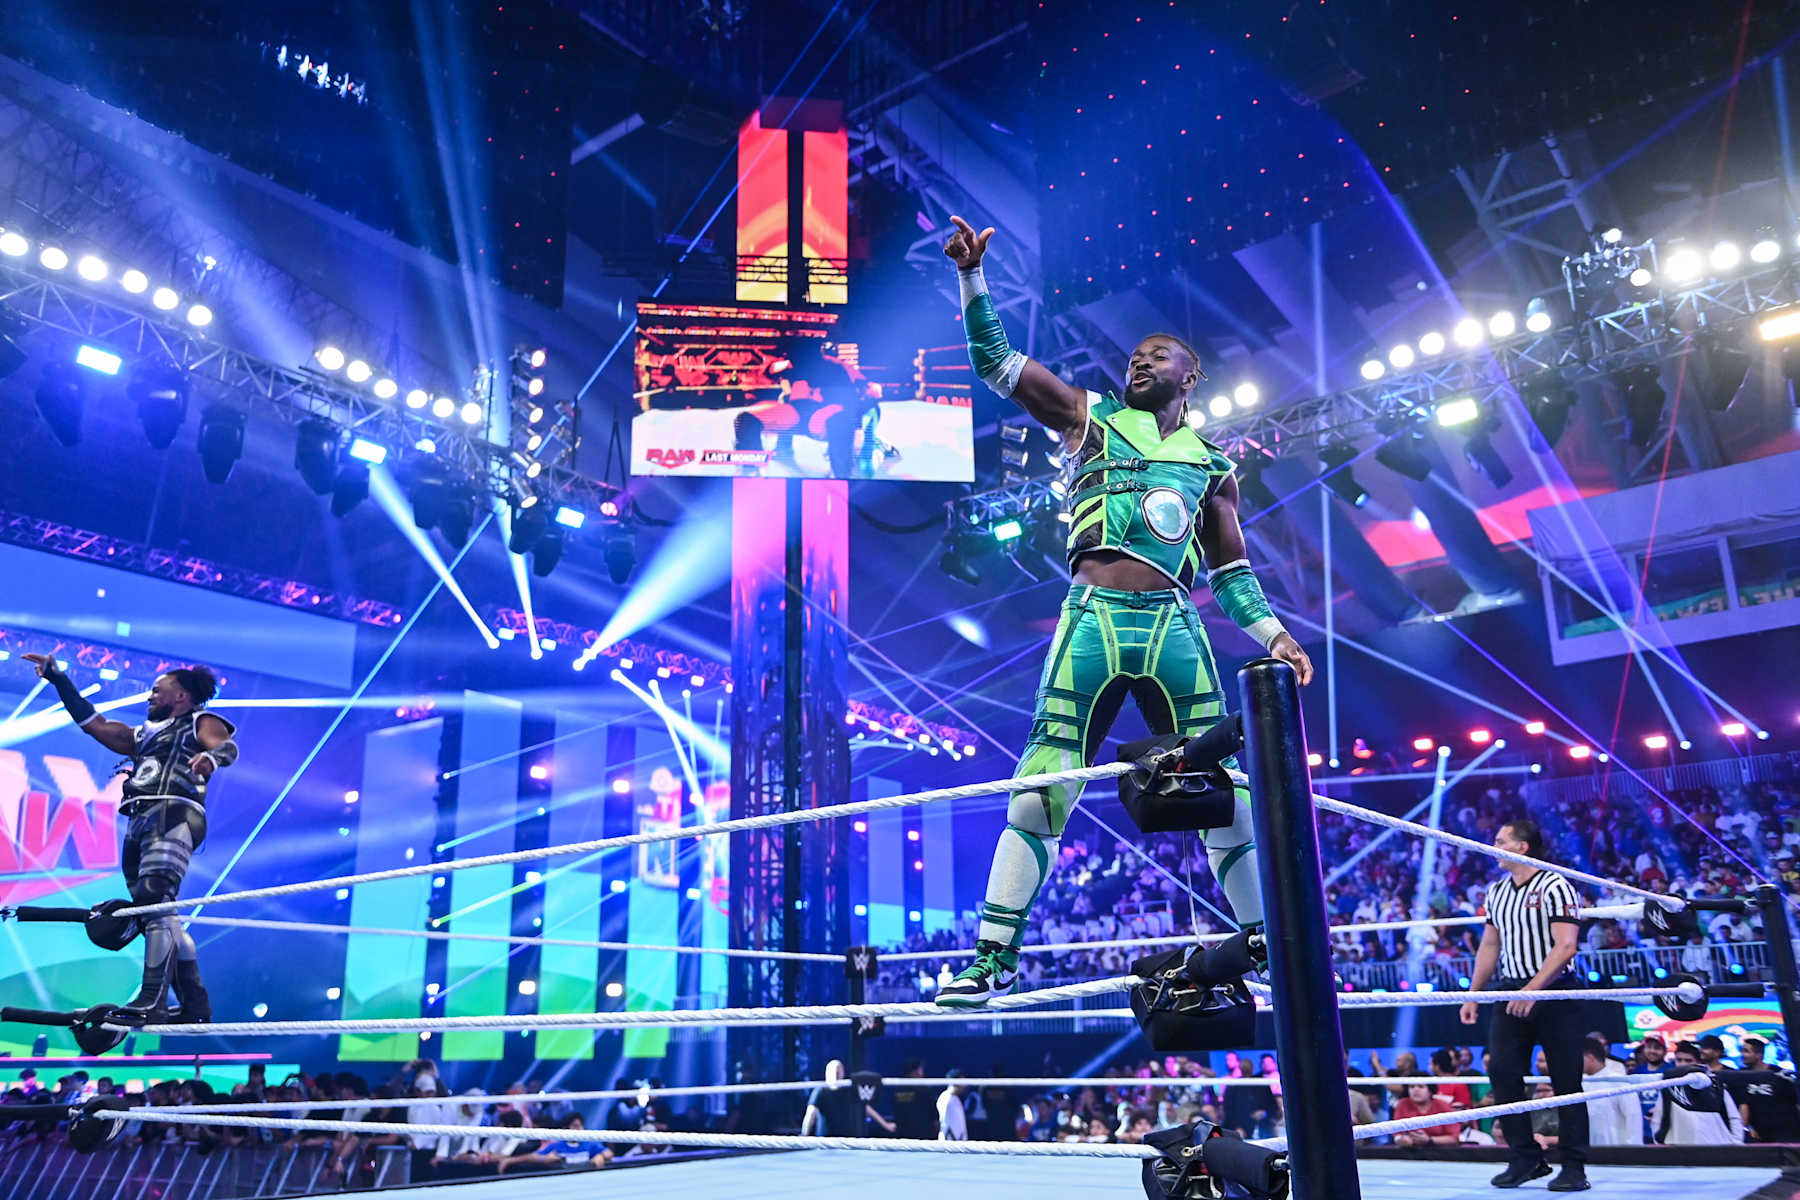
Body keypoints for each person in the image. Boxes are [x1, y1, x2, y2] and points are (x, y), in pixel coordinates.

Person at [933, 215, 1314, 1006]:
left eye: (1158, 356)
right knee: (1040, 789)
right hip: (1092, 617)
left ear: (1191, 375)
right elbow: (996, 363)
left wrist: (1277, 635)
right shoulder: (1090, 415)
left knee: (1225, 792)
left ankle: (1263, 946)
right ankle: (991, 960)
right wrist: (973, 279)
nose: (1140, 359)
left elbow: (1233, 575)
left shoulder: (1214, 465)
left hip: (1175, 625)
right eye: (1134, 354)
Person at [24, 654, 235, 1022]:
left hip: (173, 813)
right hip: (139, 819)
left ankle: (152, 999)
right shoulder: (143, 735)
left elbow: (226, 747)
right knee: (157, 913)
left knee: (154, 903)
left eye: (158, 690)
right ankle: (194, 1006)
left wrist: (212, 760)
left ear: (182, 696)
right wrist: (60, 681)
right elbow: (94, 723)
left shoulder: (200, 721)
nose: (150, 696)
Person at [1459, 818, 1590, 1192]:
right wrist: (1474, 994)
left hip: (1554, 993)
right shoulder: (1496, 891)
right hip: (1509, 989)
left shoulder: (1555, 884)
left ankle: (1575, 1165)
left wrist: (1532, 990)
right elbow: (1490, 945)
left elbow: (1566, 946)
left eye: (1501, 840)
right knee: (1501, 1072)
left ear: (1522, 846)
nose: (1493, 845)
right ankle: (1525, 1158)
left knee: (1566, 1080)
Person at [1649, 1043, 1743, 1145]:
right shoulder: (1668, 1088)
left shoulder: (1714, 1086)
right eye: (1679, 1060)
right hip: (1679, 1150)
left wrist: (1735, 1144)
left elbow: (1734, 1118)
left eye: (1688, 1060)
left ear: (1698, 1062)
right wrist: (1659, 1146)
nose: (1682, 1064)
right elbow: (1657, 1120)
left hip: (1717, 1148)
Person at [1728, 1036, 1800, 1143]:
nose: (1742, 1055)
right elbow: (1743, 1104)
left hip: (1785, 1132)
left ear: (1759, 1055)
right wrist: (1746, 1128)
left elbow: (1794, 1102)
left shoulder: (1779, 1075)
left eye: (1747, 1051)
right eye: (1742, 1051)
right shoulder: (1741, 1076)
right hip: (1758, 1134)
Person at [802, 1060, 895, 1137]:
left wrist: (885, 1124)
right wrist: (804, 1136)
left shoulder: (849, 1090)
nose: (836, 1073)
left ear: (843, 1073)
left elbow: (866, 1109)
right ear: (827, 1073)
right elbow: (810, 1115)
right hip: (826, 1140)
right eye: (833, 1070)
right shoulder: (820, 1091)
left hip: (847, 1140)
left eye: (838, 1070)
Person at [1579, 1039, 1641, 1146]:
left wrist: (1633, 1150)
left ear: (1590, 1058)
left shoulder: (1619, 1082)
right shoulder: (1580, 1082)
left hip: (1617, 1149)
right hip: (1587, 1149)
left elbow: (1633, 1117)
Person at [1391, 1083, 1465, 1147]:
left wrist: (1429, 1140)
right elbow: (1397, 1133)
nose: (1416, 1090)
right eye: (1412, 1087)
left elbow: (1454, 1138)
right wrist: (1402, 1140)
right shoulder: (1402, 1104)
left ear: (1430, 1091)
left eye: (1420, 1086)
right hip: (1410, 1153)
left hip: (1441, 1153)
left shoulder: (1442, 1105)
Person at [937, 1070, 970, 1141]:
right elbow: (945, 1123)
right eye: (963, 1082)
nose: (965, 1086)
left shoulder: (955, 1098)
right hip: (950, 1144)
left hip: (958, 1143)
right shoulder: (947, 1098)